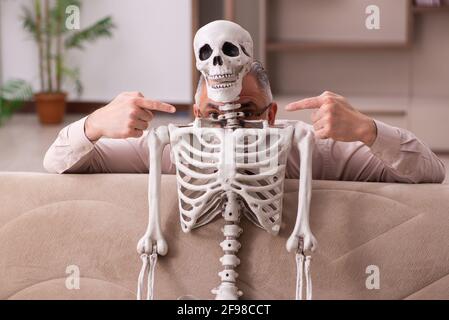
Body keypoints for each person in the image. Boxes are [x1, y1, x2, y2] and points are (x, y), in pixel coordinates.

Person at [44, 61, 446, 183]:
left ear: (272, 116)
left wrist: (367, 130)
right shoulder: (171, 149)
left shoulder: (309, 149)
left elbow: (431, 174)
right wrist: (94, 123)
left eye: (246, 112)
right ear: (196, 116)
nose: (230, 131)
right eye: (216, 116)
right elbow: (56, 163)